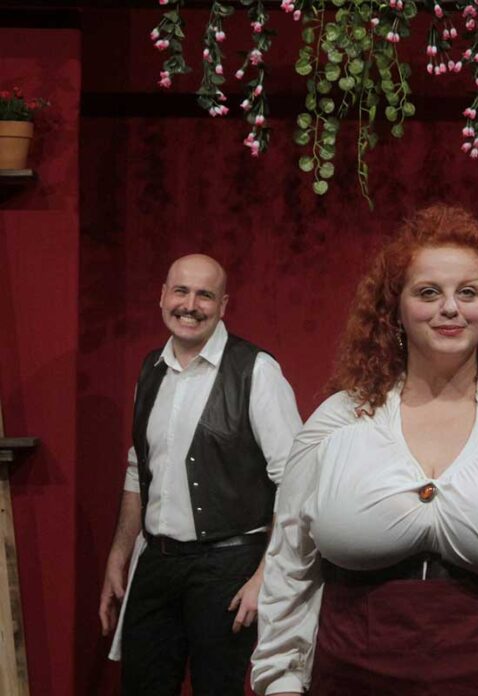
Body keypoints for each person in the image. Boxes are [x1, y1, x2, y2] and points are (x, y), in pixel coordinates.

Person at [251, 205, 478, 696]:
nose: (450, 308)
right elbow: (290, 562)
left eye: (468, 292)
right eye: (428, 292)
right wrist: (280, 677)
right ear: (395, 310)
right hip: (355, 680)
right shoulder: (338, 422)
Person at [99, 253, 302, 696]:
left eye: (204, 295)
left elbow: (297, 482)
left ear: (223, 305)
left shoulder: (256, 371)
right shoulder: (150, 370)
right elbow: (138, 469)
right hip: (156, 564)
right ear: (162, 297)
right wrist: (119, 555)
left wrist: (265, 576)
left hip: (229, 568)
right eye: (181, 291)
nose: (190, 305)